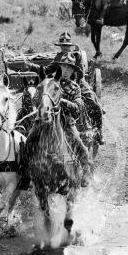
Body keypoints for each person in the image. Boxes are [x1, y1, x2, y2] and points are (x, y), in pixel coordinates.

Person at [25, 52, 92, 187]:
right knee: (28, 140)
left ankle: (86, 170)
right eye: (64, 67)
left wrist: (63, 101)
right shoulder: (48, 83)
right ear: (59, 67)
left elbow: (78, 107)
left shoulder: (74, 87)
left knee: (78, 143)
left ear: (73, 70)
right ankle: (25, 172)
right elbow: (37, 99)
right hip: (45, 119)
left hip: (66, 122)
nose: (66, 70)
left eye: (69, 68)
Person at [25, 32, 104, 144]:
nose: (64, 48)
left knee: (93, 102)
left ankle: (99, 131)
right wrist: (31, 66)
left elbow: (80, 74)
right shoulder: (58, 58)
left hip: (78, 82)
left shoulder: (78, 56)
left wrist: (71, 85)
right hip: (60, 81)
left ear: (70, 46)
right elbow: (47, 70)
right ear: (60, 46)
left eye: (67, 46)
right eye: (63, 46)